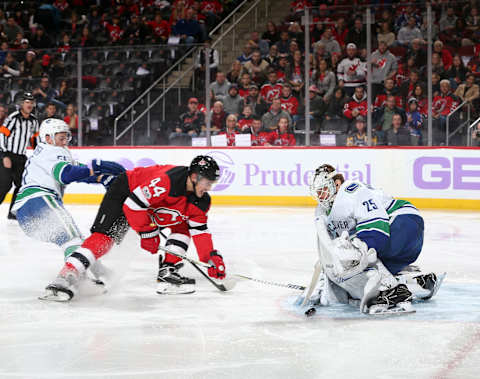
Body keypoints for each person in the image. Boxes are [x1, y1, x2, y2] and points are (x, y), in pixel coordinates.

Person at [44, 155, 226, 301]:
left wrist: (210, 257)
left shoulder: (201, 200)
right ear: (195, 177)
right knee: (105, 238)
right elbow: (133, 205)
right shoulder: (167, 181)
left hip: (148, 203)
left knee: (182, 227)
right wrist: (146, 232)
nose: (209, 188)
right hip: (126, 191)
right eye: (208, 183)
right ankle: (67, 273)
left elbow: (200, 231)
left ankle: (168, 271)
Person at [301, 164, 443, 314]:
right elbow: (329, 249)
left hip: (402, 223)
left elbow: (376, 229)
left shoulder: (349, 191)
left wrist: (357, 251)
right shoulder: (324, 210)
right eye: (317, 191)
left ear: (336, 184)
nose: (319, 195)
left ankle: (390, 292)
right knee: (353, 265)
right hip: (404, 237)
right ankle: (414, 282)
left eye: (322, 190)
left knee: (351, 255)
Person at [11, 119, 124, 300]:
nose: (65, 142)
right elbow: (66, 174)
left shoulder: (44, 153)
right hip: (40, 199)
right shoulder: (53, 151)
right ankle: (66, 278)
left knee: (73, 241)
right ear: (48, 138)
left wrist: (100, 177)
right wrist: (97, 166)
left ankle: (91, 273)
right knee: (73, 238)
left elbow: (78, 172)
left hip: (26, 215)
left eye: (66, 138)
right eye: (61, 138)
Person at [0, 92, 39, 220]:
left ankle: (13, 212)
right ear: (22, 104)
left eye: (31, 102)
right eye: (27, 102)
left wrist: (38, 153)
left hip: (21, 157)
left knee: (21, 186)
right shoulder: (13, 118)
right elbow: (2, 135)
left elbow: (34, 139)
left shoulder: (33, 120)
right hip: (8, 155)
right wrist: (4, 155)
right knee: (5, 184)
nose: (29, 105)